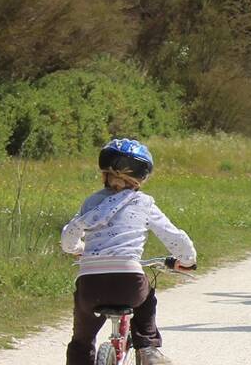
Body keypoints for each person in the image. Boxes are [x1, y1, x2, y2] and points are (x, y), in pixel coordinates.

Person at [60, 139, 198, 365]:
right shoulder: (143, 203)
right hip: (128, 281)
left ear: (104, 172)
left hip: (91, 285)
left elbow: (68, 238)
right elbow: (173, 236)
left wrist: (78, 249)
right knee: (146, 296)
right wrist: (187, 260)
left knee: (81, 341)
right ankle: (148, 349)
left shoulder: (91, 202)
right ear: (142, 177)